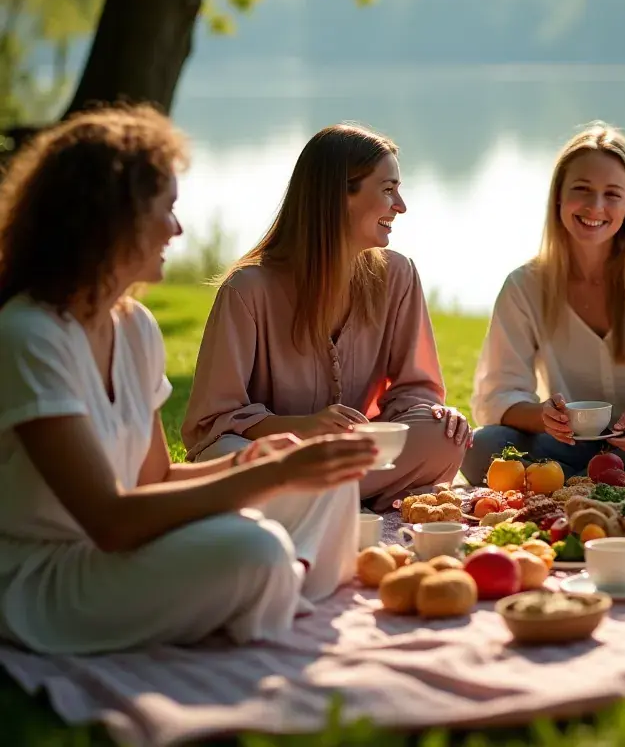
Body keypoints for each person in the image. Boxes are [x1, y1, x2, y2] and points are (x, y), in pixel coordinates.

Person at [0, 106, 379, 655]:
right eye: (167, 210)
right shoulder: (29, 335)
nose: (177, 229)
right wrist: (271, 476)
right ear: (111, 217)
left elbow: (151, 477)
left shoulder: (133, 327)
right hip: (52, 577)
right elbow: (109, 521)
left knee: (328, 484)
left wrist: (247, 462)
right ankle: (268, 587)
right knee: (255, 550)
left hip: (128, 547)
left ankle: (268, 592)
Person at [181, 124, 470, 510]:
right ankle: (332, 495)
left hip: (350, 456)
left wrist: (434, 414)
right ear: (338, 196)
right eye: (387, 190)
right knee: (228, 456)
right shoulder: (247, 289)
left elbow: (415, 391)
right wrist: (304, 427)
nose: (400, 205)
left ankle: (314, 498)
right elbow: (212, 424)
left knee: (445, 435)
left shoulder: (398, 275)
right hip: (271, 454)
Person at [462, 123, 625, 484]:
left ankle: (571, 485)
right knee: (483, 445)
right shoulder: (524, 285)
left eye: (612, 194)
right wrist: (542, 417)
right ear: (558, 195)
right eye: (582, 190)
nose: (595, 206)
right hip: (564, 445)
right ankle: (590, 484)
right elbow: (498, 396)